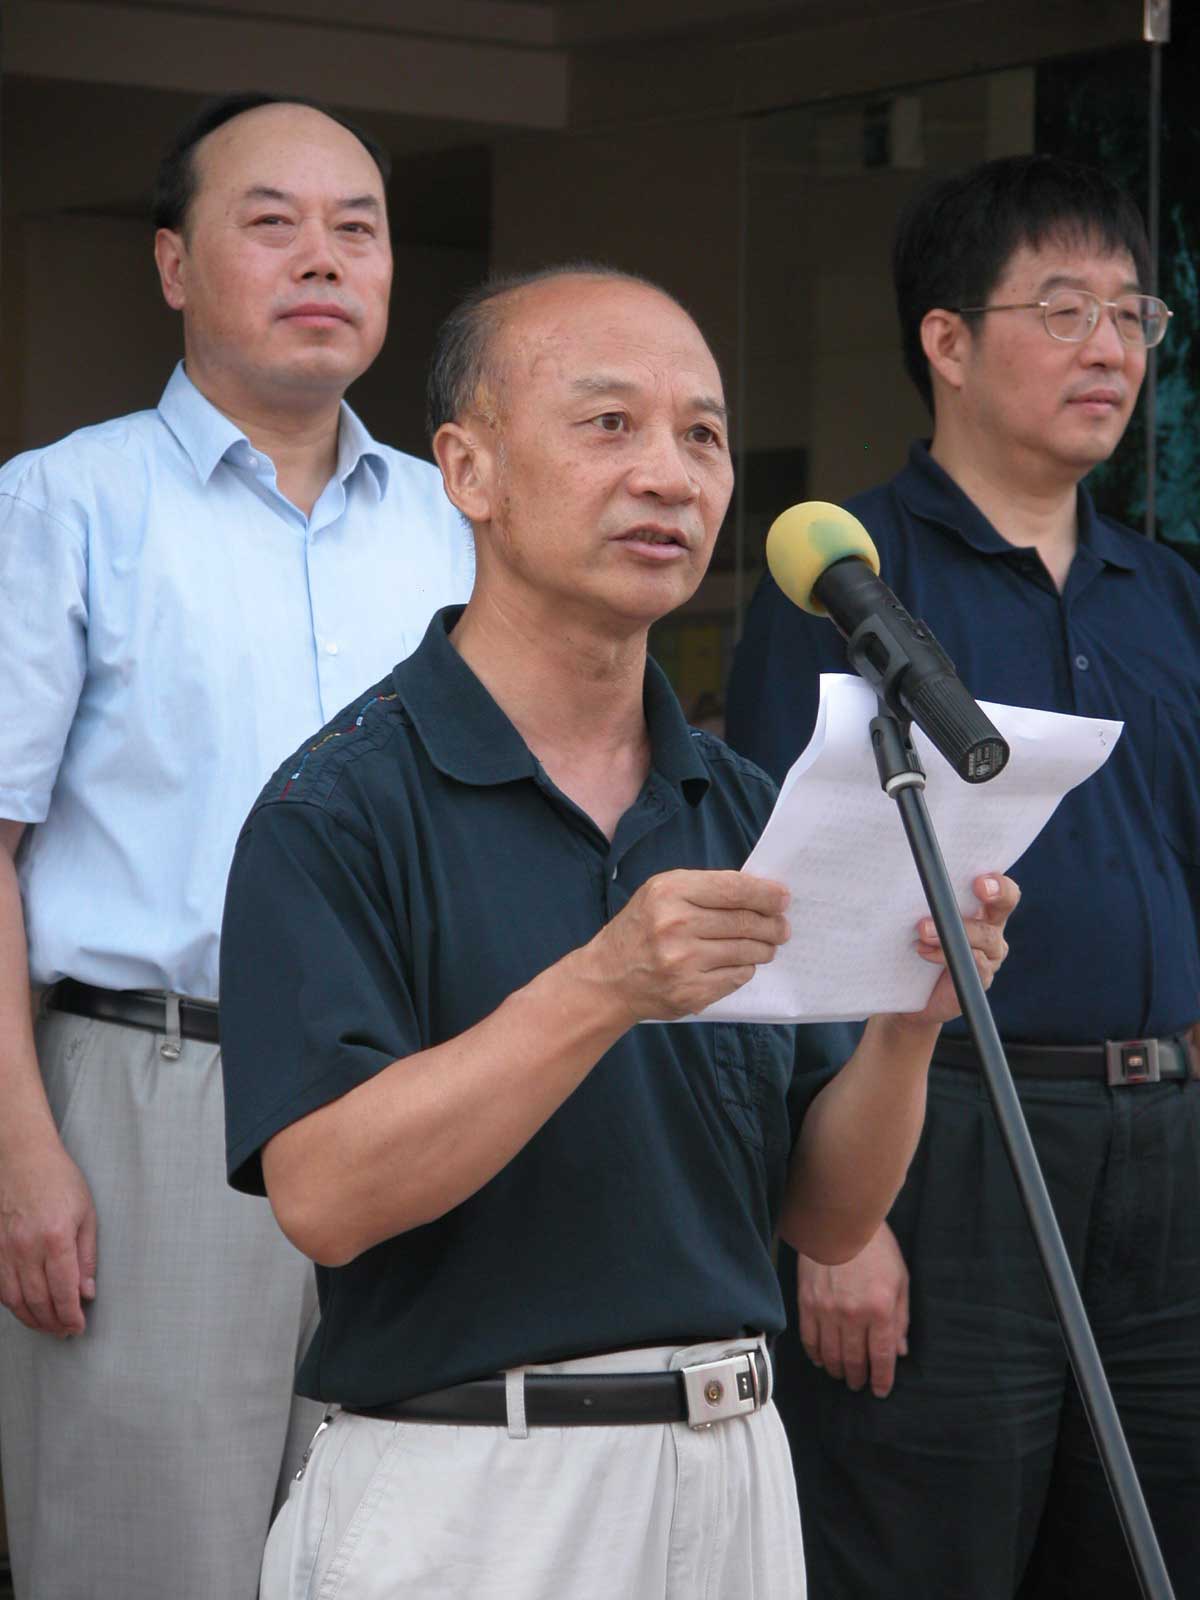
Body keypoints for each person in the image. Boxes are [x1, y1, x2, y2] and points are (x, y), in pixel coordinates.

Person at [217, 263, 1017, 1600]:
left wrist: (908, 1025)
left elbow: (827, 1220)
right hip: (474, 1486)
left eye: (702, 434)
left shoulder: (745, 805)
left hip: (735, 1460)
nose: (670, 475)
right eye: (609, 424)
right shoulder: (337, 806)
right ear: (468, 470)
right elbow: (326, 1200)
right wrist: (604, 986)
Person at [0, 93, 474, 1600]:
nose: (322, 257)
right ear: (173, 265)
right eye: (273, 223)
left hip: (416, 1096)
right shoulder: (62, 504)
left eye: (357, 228)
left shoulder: (460, 522)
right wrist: (20, 1150)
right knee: (150, 1561)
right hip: (153, 1097)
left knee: (406, 1551)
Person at [725, 153, 1200, 1599]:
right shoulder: (846, 584)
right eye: (1063, 310)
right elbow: (784, 904)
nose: (1109, 348)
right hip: (942, 1138)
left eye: (1133, 314)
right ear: (945, 337)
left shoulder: (1171, 593)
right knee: (925, 1549)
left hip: (1167, 1139)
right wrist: (842, 1222)